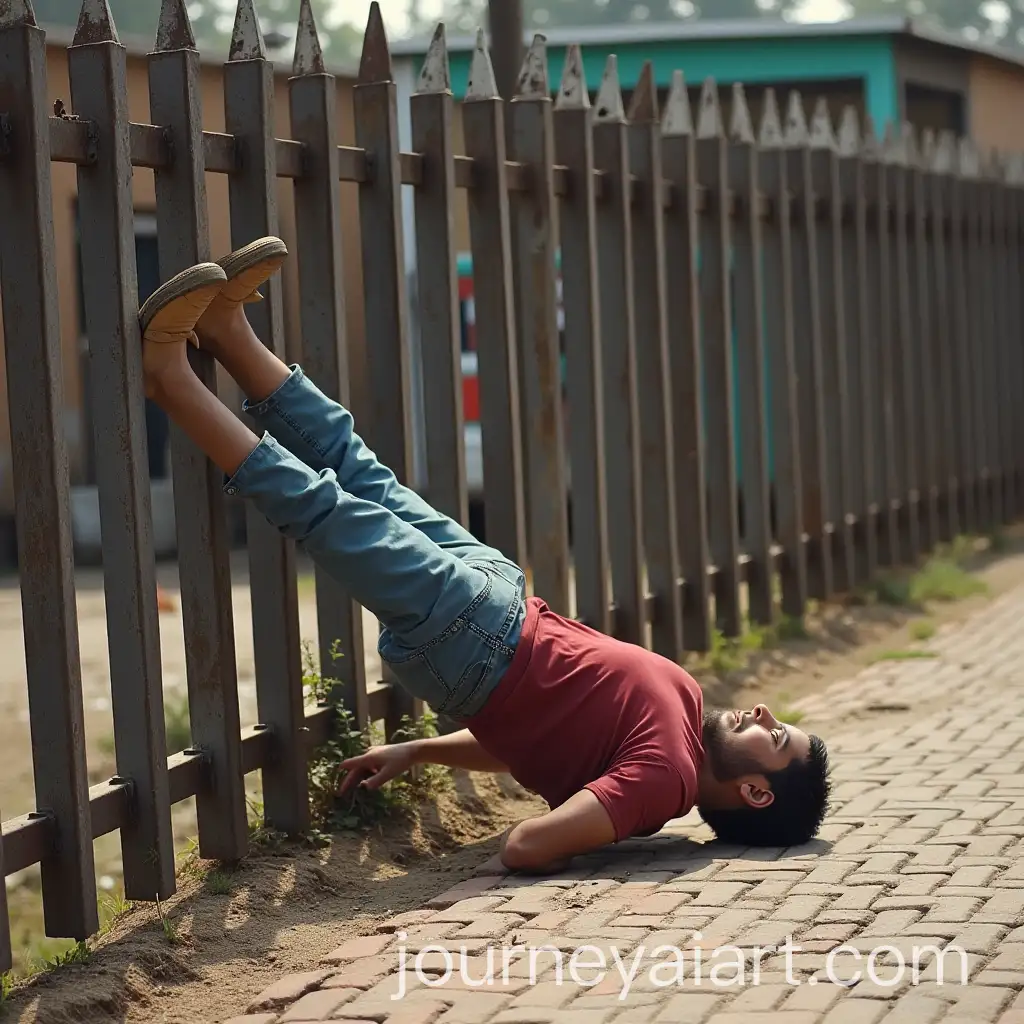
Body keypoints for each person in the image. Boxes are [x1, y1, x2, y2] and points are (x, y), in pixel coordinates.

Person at [139, 237, 831, 875]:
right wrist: (419, 751)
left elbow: (525, 846)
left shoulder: (664, 780)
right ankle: (229, 334)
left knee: (326, 512)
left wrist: (599, 830)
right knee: (360, 470)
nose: (766, 713)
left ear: (754, 794)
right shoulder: (686, 714)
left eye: (776, 739)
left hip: (471, 642)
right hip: (500, 597)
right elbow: (537, 735)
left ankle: (171, 378)